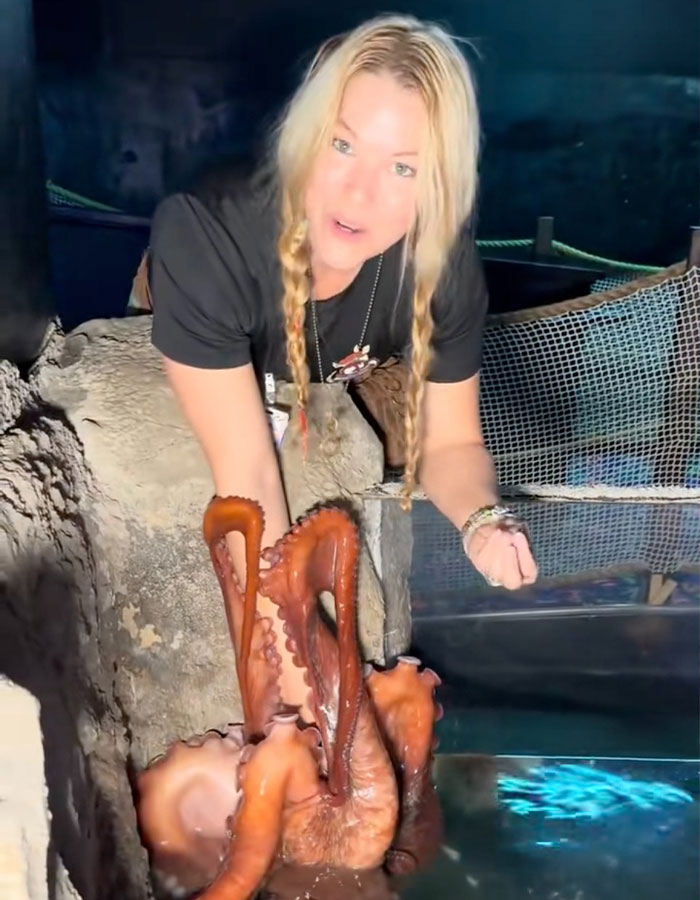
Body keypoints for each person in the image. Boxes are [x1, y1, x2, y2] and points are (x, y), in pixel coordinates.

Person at [145, 15, 538, 708]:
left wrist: (482, 521)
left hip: (338, 368)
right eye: (342, 144)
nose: (359, 195)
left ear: (438, 185)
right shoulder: (206, 233)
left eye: (403, 167)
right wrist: (306, 684)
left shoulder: (438, 262)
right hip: (204, 355)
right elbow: (246, 474)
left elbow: (451, 441)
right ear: (304, 135)